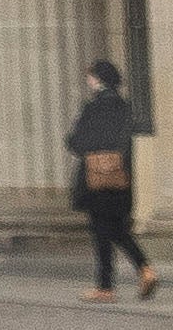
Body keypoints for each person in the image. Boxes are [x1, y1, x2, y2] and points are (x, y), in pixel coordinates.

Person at [66, 60, 161, 298]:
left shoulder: (94, 107)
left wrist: (77, 142)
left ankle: (105, 287)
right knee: (116, 228)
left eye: (90, 76)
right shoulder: (124, 106)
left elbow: (78, 142)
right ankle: (144, 270)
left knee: (101, 231)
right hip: (120, 176)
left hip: (96, 177)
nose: (88, 80)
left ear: (97, 78)